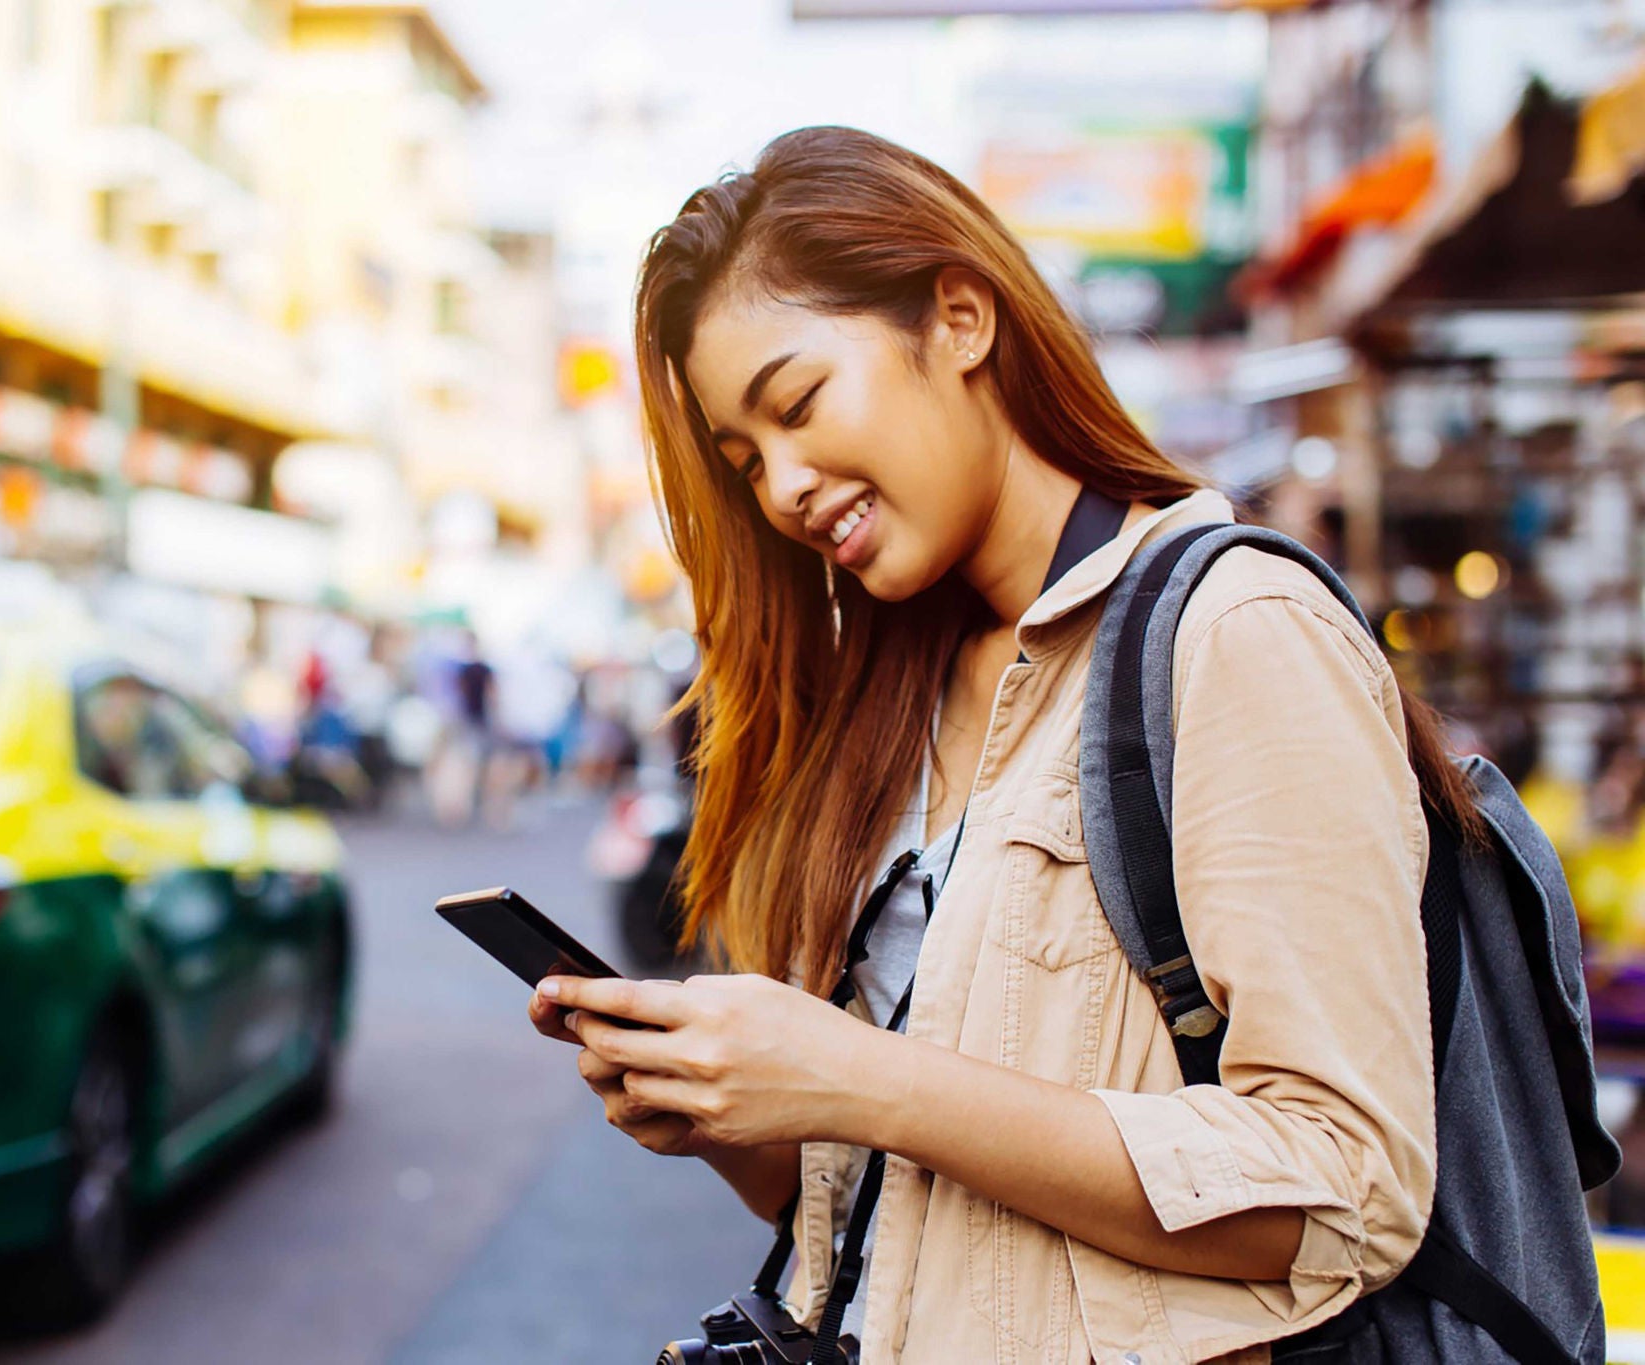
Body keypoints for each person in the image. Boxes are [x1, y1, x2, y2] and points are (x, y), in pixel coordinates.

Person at [530, 127, 1471, 1362]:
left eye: (798, 404)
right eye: (744, 459)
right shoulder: (888, 698)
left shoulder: (1233, 633)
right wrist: (736, 1119)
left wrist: (856, 1079)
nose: (782, 490)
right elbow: (895, 1213)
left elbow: (1341, 1190)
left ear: (960, 317)